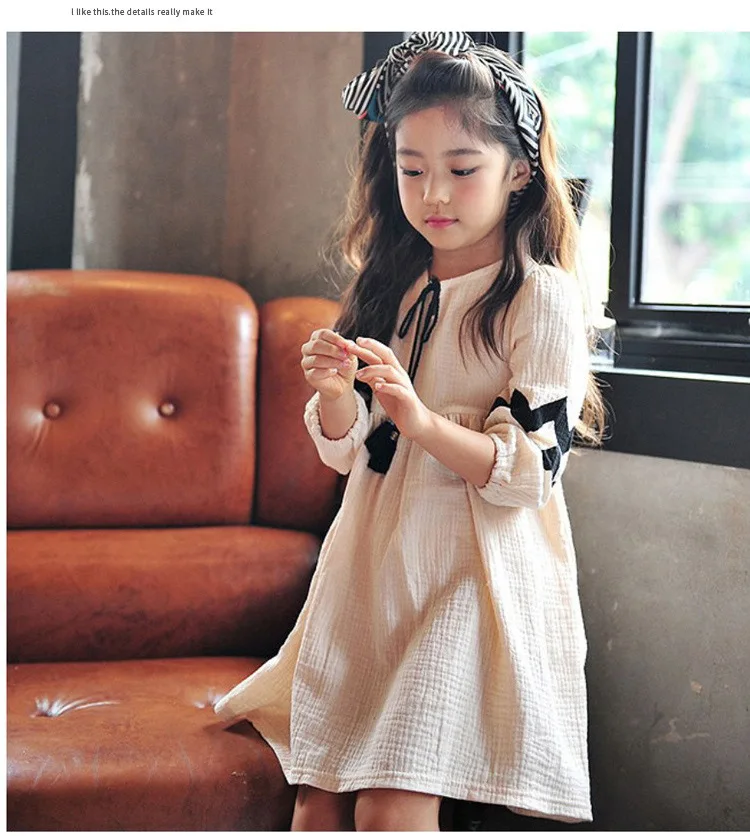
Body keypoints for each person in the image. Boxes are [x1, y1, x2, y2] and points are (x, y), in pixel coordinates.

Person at [214, 31, 606, 831]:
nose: (434, 194)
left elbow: (530, 471)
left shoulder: (540, 296)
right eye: (411, 168)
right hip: (372, 562)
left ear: (519, 171)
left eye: (462, 169)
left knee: (392, 802)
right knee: (320, 801)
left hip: (475, 570)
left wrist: (421, 420)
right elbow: (351, 448)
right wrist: (335, 395)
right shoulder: (388, 282)